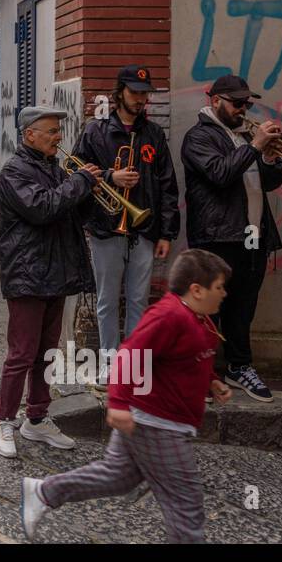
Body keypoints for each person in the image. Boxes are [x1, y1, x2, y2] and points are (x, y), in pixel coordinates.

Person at [19, 250, 234, 544]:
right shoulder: (169, 316)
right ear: (197, 290)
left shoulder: (197, 318)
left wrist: (212, 382)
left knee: (117, 477)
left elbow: (188, 359)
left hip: (150, 418)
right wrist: (117, 404)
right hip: (157, 422)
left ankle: (43, 492)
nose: (224, 293)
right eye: (219, 287)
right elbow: (130, 356)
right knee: (186, 503)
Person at [0, 105, 100, 456]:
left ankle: (36, 419)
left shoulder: (57, 169)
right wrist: (80, 183)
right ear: (29, 136)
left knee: (47, 353)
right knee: (21, 353)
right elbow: (42, 208)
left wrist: (92, 190)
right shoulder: (14, 172)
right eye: (52, 131)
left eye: (58, 130)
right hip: (27, 272)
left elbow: (68, 211)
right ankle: (3, 421)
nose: (59, 137)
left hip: (56, 271)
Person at [180, 74, 282, 402]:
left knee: (242, 308)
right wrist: (256, 146)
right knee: (208, 311)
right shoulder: (198, 137)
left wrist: (269, 157)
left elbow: (269, 183)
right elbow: (220, 174)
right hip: (216, 238)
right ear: (215, 101)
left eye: (247, 104)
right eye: (237, 103)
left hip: (253, 235)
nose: (244, 109)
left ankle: (239, 367)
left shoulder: (245, 136)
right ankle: (203, 374)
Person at [73, 66, 180, 386]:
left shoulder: (154, 134)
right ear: (120, 92)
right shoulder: (96, 131)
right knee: (107, 299)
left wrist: (166, 232)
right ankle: (109, 361)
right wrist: (110, 177)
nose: (141, 100)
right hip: (106, 227)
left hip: (144, 229)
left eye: (145, 94)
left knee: (138, 299)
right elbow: (77, 172)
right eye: (135, 93)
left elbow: (167, 185)